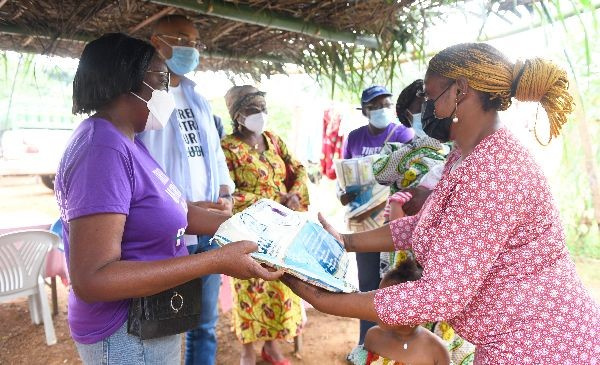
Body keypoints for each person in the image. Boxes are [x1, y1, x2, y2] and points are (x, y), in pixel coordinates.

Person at [282, 43, 600, 363]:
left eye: (431, 97)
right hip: (512, 342)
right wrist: (345, 241)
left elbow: (439, 295)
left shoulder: (496, 171)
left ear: (460, 90)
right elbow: (427, 226)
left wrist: (330, 301)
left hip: (542, 346)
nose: (426, 110)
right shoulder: (465, 154)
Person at [56, 33, 282, 365]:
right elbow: (93, 278)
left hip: (149, 321)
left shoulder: (130, 139)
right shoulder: (101, 150)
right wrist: (215, 261)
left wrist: (254, 225)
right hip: (124, 333)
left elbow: (164, 209)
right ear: (126, 80)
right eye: (160, 80)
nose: (167, 92)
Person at [138, 15, 233, 365]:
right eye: (182, 38)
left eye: (195, 41)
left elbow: (214, 152)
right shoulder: (144, 94)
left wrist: (224, 192)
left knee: (204, 324)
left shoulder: (196, 96)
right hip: (166, 228)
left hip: (206, 225)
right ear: (156, 41)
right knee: (163, 323)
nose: (190, 47)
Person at [221, 85, 309, 365]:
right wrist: (271, 199)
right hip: (248, 231)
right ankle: (248, 350)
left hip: (280, 231)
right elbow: (226, 194)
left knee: (278, 285)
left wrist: (294, 194)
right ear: (237, 115)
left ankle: (272, 347)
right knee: (250, 286)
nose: (260, 115)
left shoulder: (273, 140)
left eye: (263, 109)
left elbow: (298, 170)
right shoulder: (227, 148)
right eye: (252, 110)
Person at [339, 85, 414, 346]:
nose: (382, 109)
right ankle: (365, 345)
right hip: (362, 221)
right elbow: (344, 178)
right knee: (367, 285)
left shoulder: (404, 134)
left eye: (386, 104)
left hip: (392, 222)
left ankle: (394, 349)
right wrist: (344, 194)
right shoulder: (354, 138)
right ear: (365, 111)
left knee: (391, 284)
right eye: (375, 105)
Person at [348, 258, 450, 365]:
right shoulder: (373, 337)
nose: (378, 308)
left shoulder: (437, 352)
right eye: (379, 300)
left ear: (414, 310)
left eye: (389, 305)